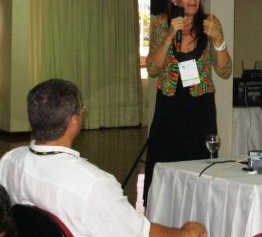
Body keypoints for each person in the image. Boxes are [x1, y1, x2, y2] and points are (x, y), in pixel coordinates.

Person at [0, 79, 206, 237]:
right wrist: (184, 232)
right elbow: (140, 233)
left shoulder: (8, 161)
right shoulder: (92, 184)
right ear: (73, 121)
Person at [144, 0, 232, 205]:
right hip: (169, 103)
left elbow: (224, 71)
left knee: (198, 162)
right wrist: (170, 35)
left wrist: (219, 39)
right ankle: (161, 209)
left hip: (200, 106)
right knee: (164, 159)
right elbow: (153, 68)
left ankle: (197, 208)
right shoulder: (161, 23)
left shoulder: (210, 23)